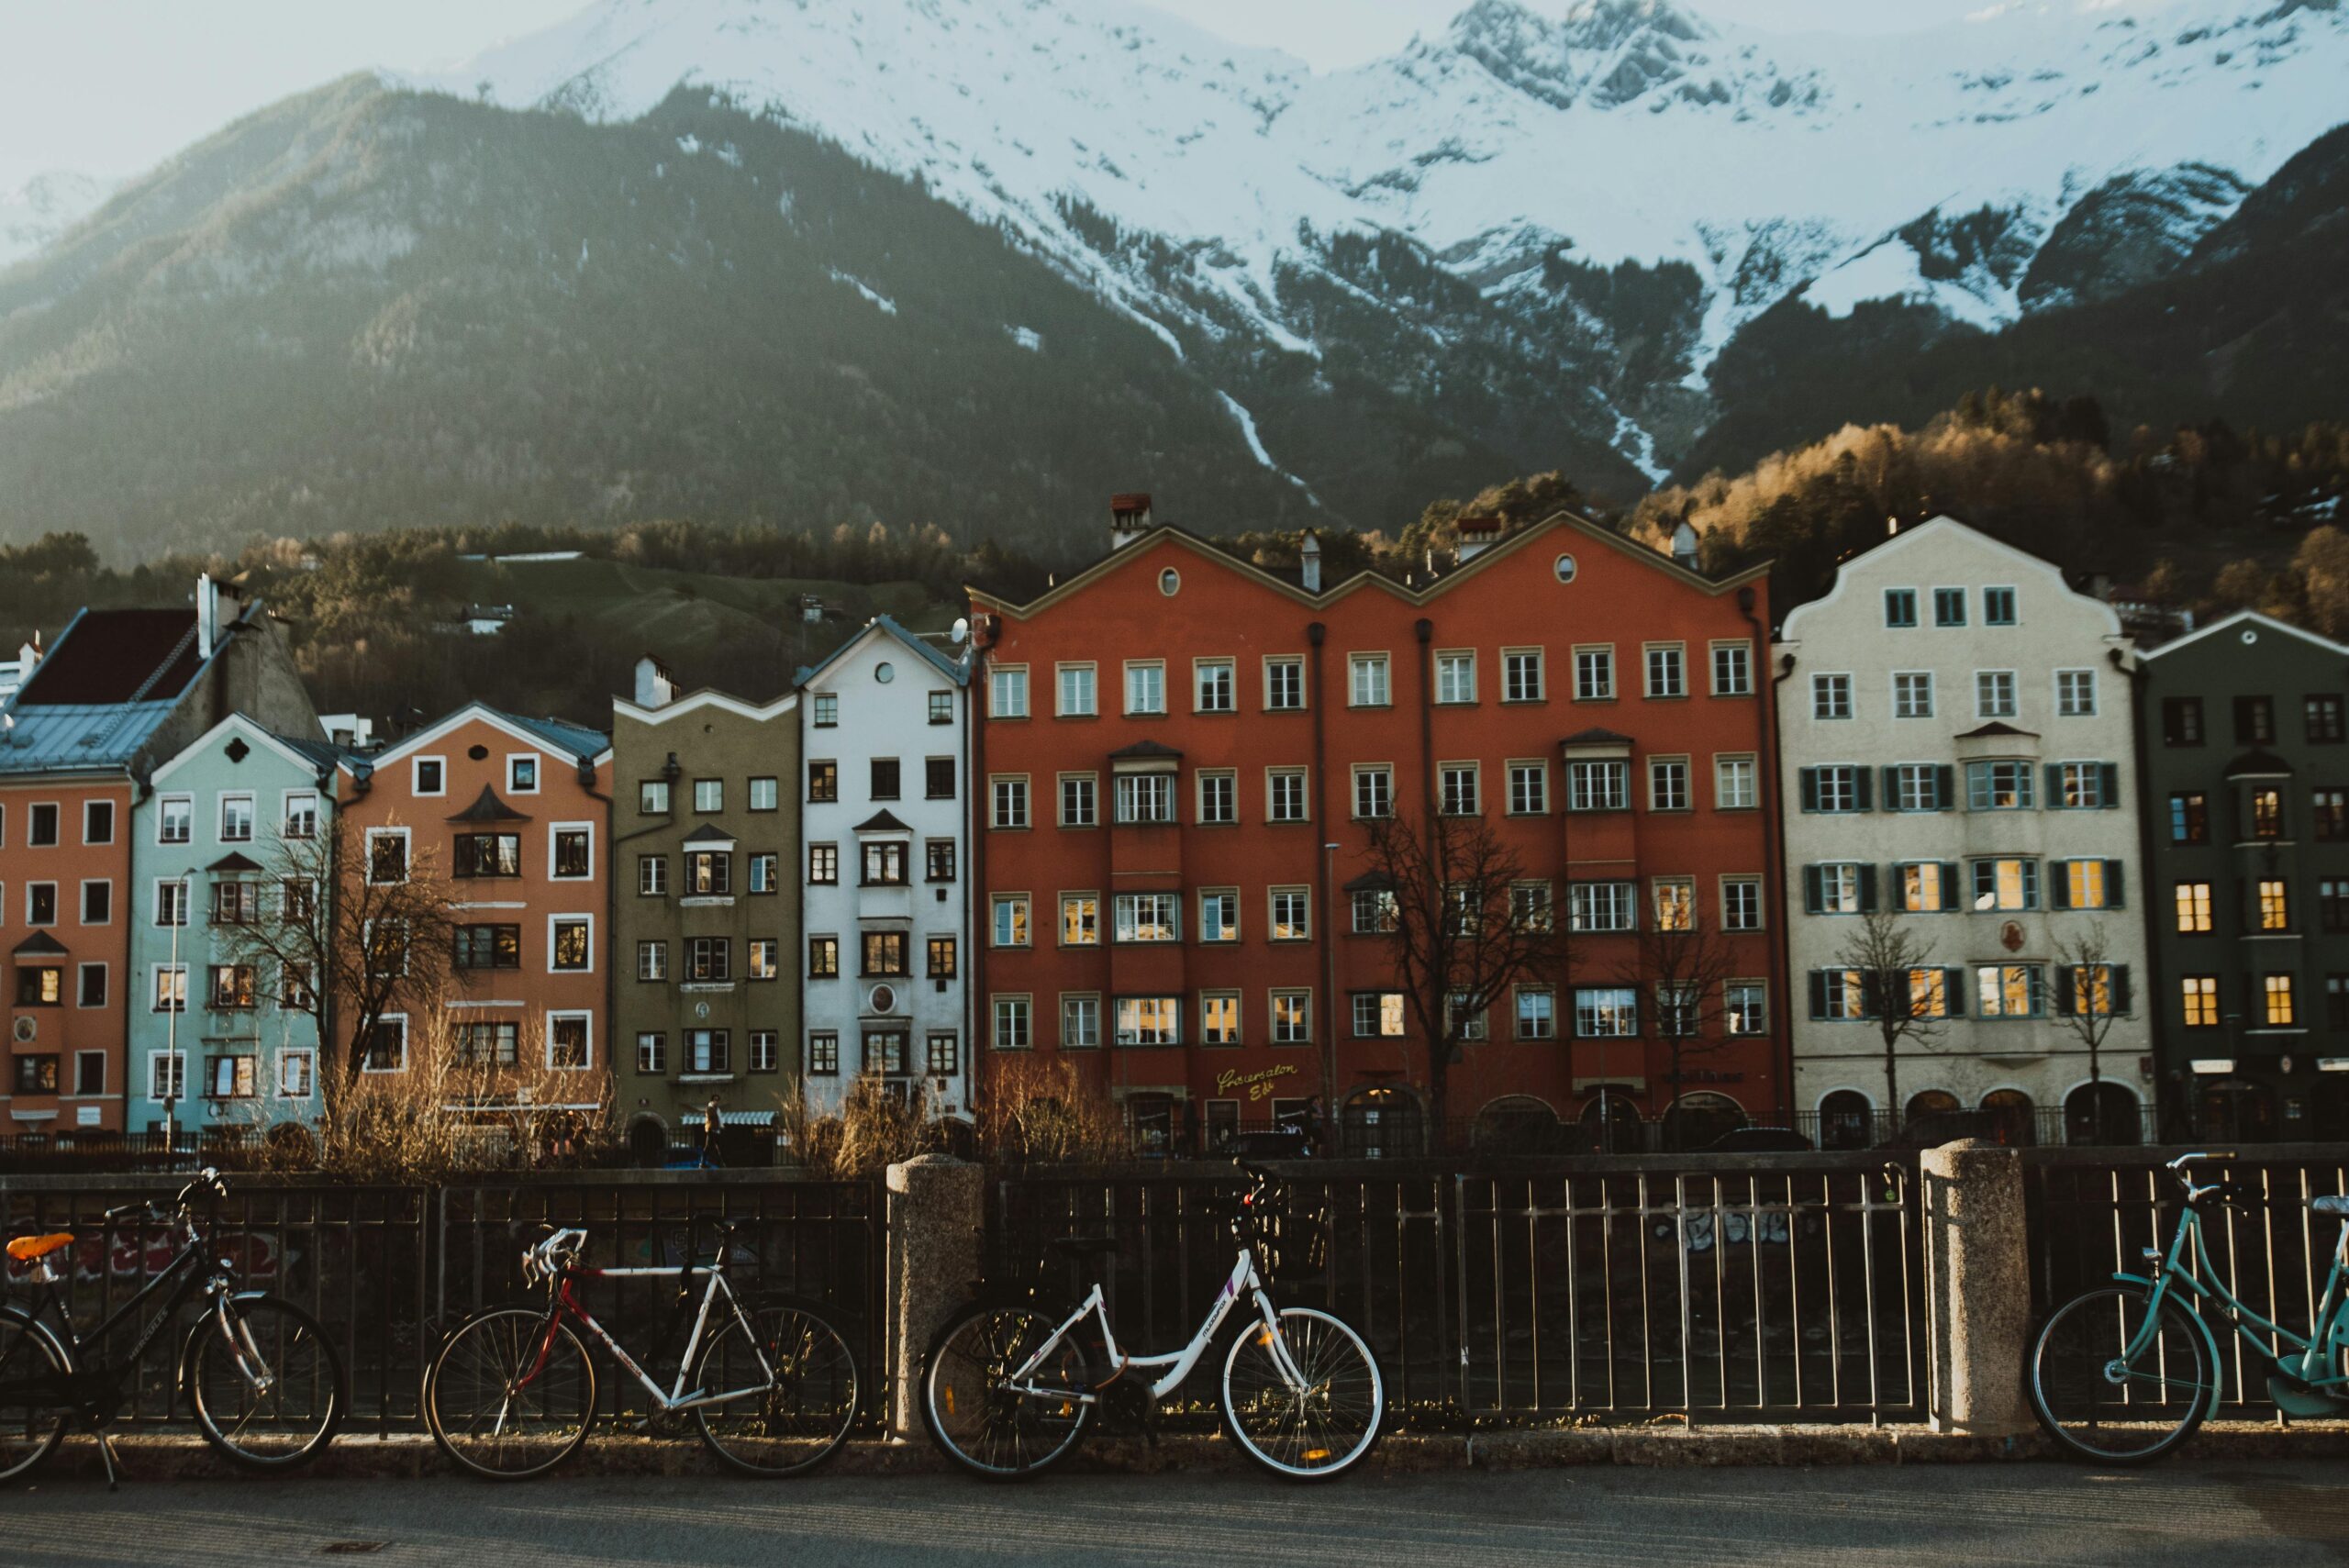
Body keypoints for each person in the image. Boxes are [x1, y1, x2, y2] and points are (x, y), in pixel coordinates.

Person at [701, 1098, 723, 1166]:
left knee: (718, 1147)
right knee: (708, 1147)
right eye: (715, 1100)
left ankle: (720, 1163)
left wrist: (721, 1126)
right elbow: (711, 1117)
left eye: (717, 1101)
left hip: (716, 1130)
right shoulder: (710, 1109)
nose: (716, 1102)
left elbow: (719, 1119)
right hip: (711, 1130)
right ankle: (702, 1162)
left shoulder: (717, 1110)